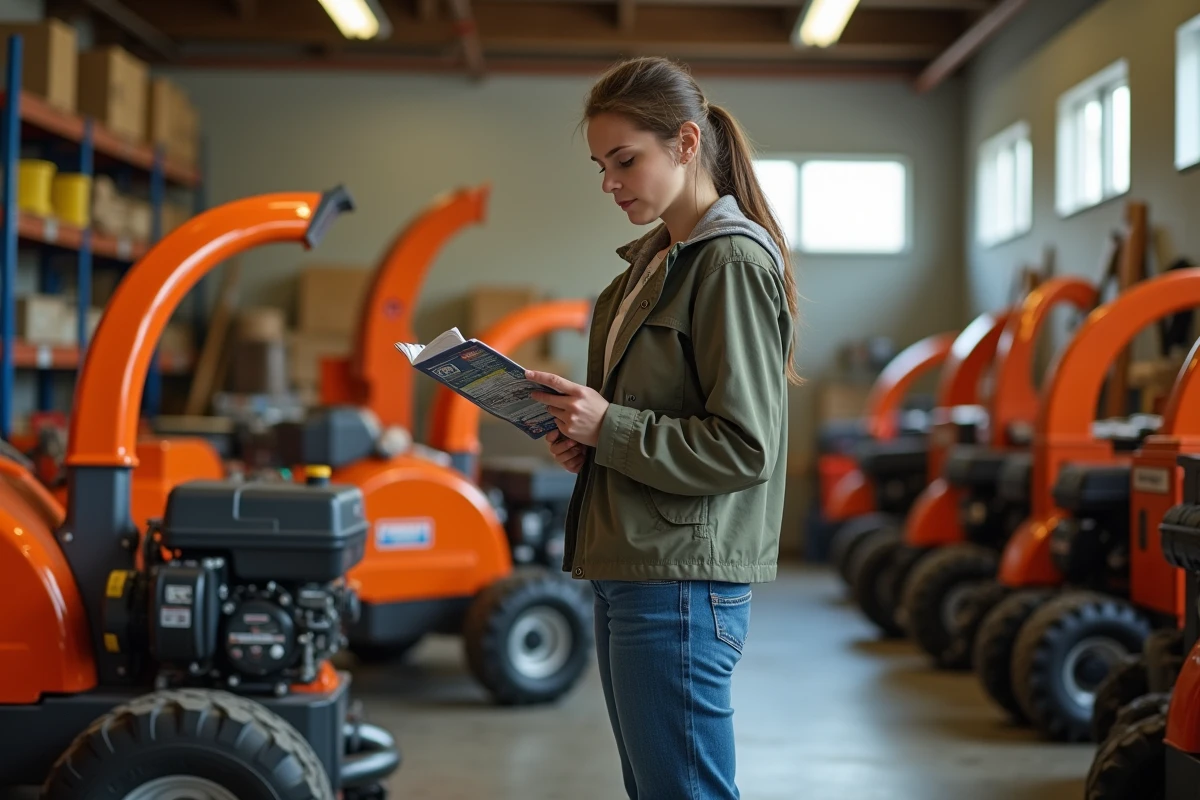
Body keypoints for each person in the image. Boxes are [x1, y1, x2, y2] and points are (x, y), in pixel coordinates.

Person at [524, 55, 800, 800]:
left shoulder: (730, 263)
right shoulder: (650, 268)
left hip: (680, 577)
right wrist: (588, 439)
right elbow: (656, 420)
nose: (610, 183)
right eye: (600, 165)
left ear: (684, 143)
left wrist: (610, 426)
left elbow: (745, 447)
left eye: (625, 160)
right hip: (632, 564)